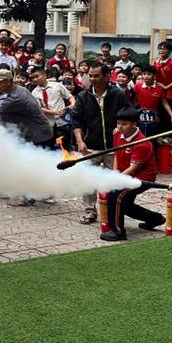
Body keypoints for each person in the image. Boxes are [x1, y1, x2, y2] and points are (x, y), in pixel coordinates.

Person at [70, 62, 132, 224]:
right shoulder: (83, 96)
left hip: (114, 146)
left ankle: (114, 209)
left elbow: (129, 114)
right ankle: (90, 210)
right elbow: (76, 121)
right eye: (90, 76)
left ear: (106, 77)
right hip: (90, 146)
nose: (92, 78)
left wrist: (120, 129)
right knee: (88, 179)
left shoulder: (117, 94)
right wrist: (80, 141)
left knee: (116, 179)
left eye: (96, 76)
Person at [100, 107, 165, 241]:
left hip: (142, 178)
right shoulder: (117, 134)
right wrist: (115, 173)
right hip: (126, 174)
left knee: (116, 194)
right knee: (126, 206)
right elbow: (117, 155)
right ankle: (156, 219)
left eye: (125, 124)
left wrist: (116, 180)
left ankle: (118, 232)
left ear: (135, 124)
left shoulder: (143, 144)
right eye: (118, 123)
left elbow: (134, 168)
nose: (120, 127)